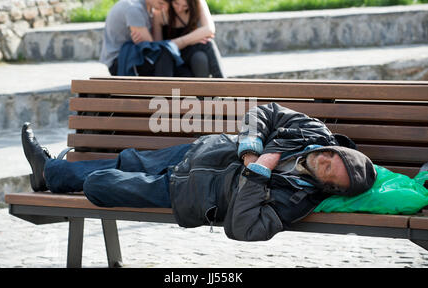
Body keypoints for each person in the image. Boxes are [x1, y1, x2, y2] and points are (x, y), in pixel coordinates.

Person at [21, 103, 376, 242]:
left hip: (188, 194)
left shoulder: (298, 200)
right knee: (129, 160)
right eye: (331, 159)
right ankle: (48, 172)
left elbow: (243, 228)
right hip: (204, 151)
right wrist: (252, 149)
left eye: (330, 176)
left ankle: (50, 172)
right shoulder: (312, 131)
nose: (324, 165)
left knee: (101, 183)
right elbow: (265, 111)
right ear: (333, 149)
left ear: (328, 188)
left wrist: (259, 174)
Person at [99, 0, 179, 76]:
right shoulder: (134, 8)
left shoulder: (148, 5)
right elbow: (152, 47)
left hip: (134, 55)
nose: (163, 8)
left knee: (173, 59)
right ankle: (165, 91)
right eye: (161, 3)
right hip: (119, 61)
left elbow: (152, 44)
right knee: (165, 55)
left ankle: (170, 90)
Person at [152, 0, 224, 78]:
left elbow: (209, 29)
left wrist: (179, 43)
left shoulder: (199, 4)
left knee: (205, 48)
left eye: (185, 6)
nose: (179, 9)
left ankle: (221, 85)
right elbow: (159, 47)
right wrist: (192, 39)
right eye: (176, 3)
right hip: (170, 56)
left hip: (189, 53)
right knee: (205, 45)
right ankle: (223, 83)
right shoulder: (160, 13)